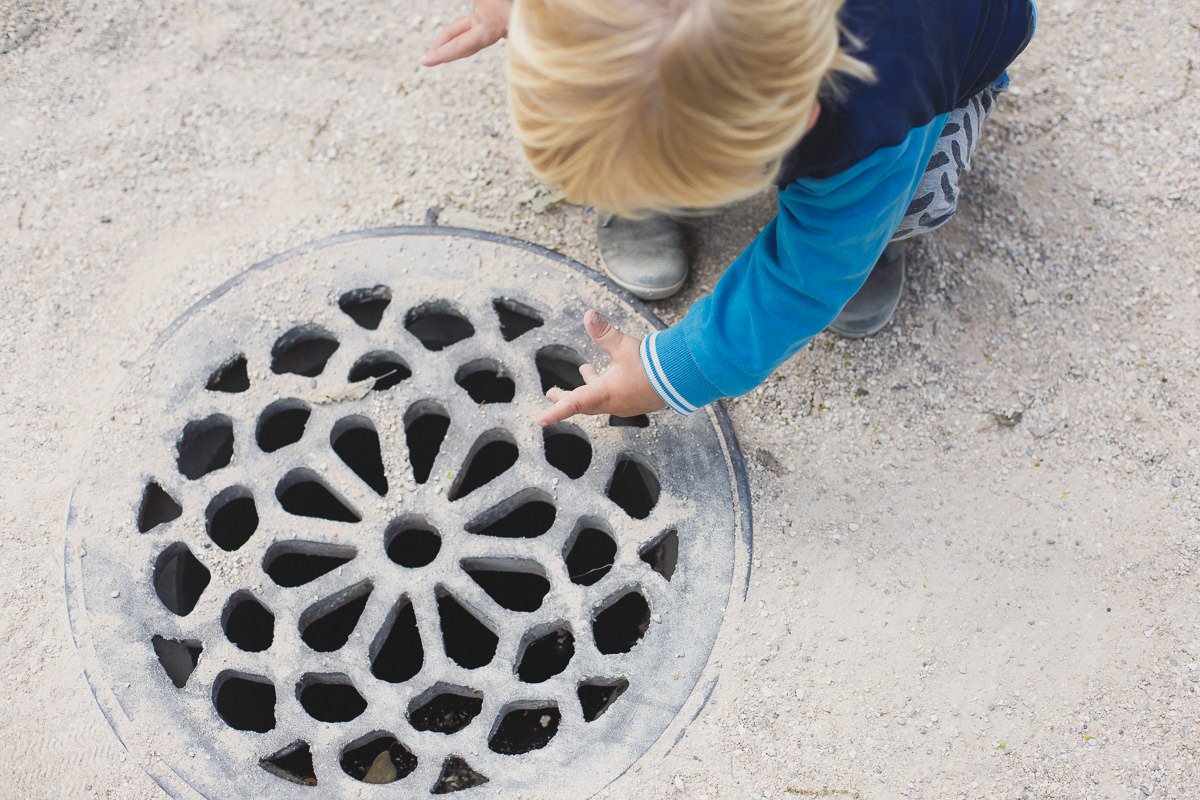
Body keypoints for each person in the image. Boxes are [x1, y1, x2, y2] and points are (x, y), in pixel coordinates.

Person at [421, 0, 1036, 424]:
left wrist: (671, 373)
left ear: (797, 118)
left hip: (952, 53)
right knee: (647, 112)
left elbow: (805, 276)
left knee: (882, 203)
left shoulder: (879, 103)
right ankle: (653, 164)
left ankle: (881, 234)